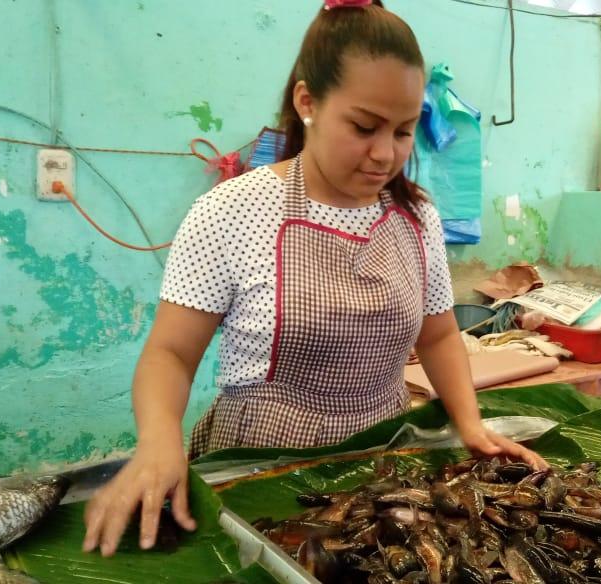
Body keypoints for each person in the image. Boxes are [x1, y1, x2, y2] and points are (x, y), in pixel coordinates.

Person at [82, 0, 546, 557]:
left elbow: (440, 334)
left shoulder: (415, 214)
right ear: (308, 101)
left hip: (378, 461)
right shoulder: (233, 210)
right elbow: (170, 355)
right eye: (363, 126)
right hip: (260, 468)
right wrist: (158, 441)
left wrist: (468, 423)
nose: (385, 154)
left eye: (403, 131)